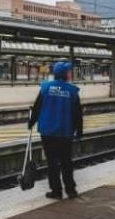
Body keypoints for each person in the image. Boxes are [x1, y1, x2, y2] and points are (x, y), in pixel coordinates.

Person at [28, 61, 83, 199]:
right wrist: (79, 131)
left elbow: (36, 107)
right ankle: (70, 190)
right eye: (69, 72)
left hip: (48, 132)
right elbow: (78, 114)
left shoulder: (45, 88)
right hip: (65, 131)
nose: (70, 74)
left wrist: (31, 122)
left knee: (52, 162)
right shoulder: (72, 91)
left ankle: (56, 191)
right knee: (66, 161)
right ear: (65, 74)